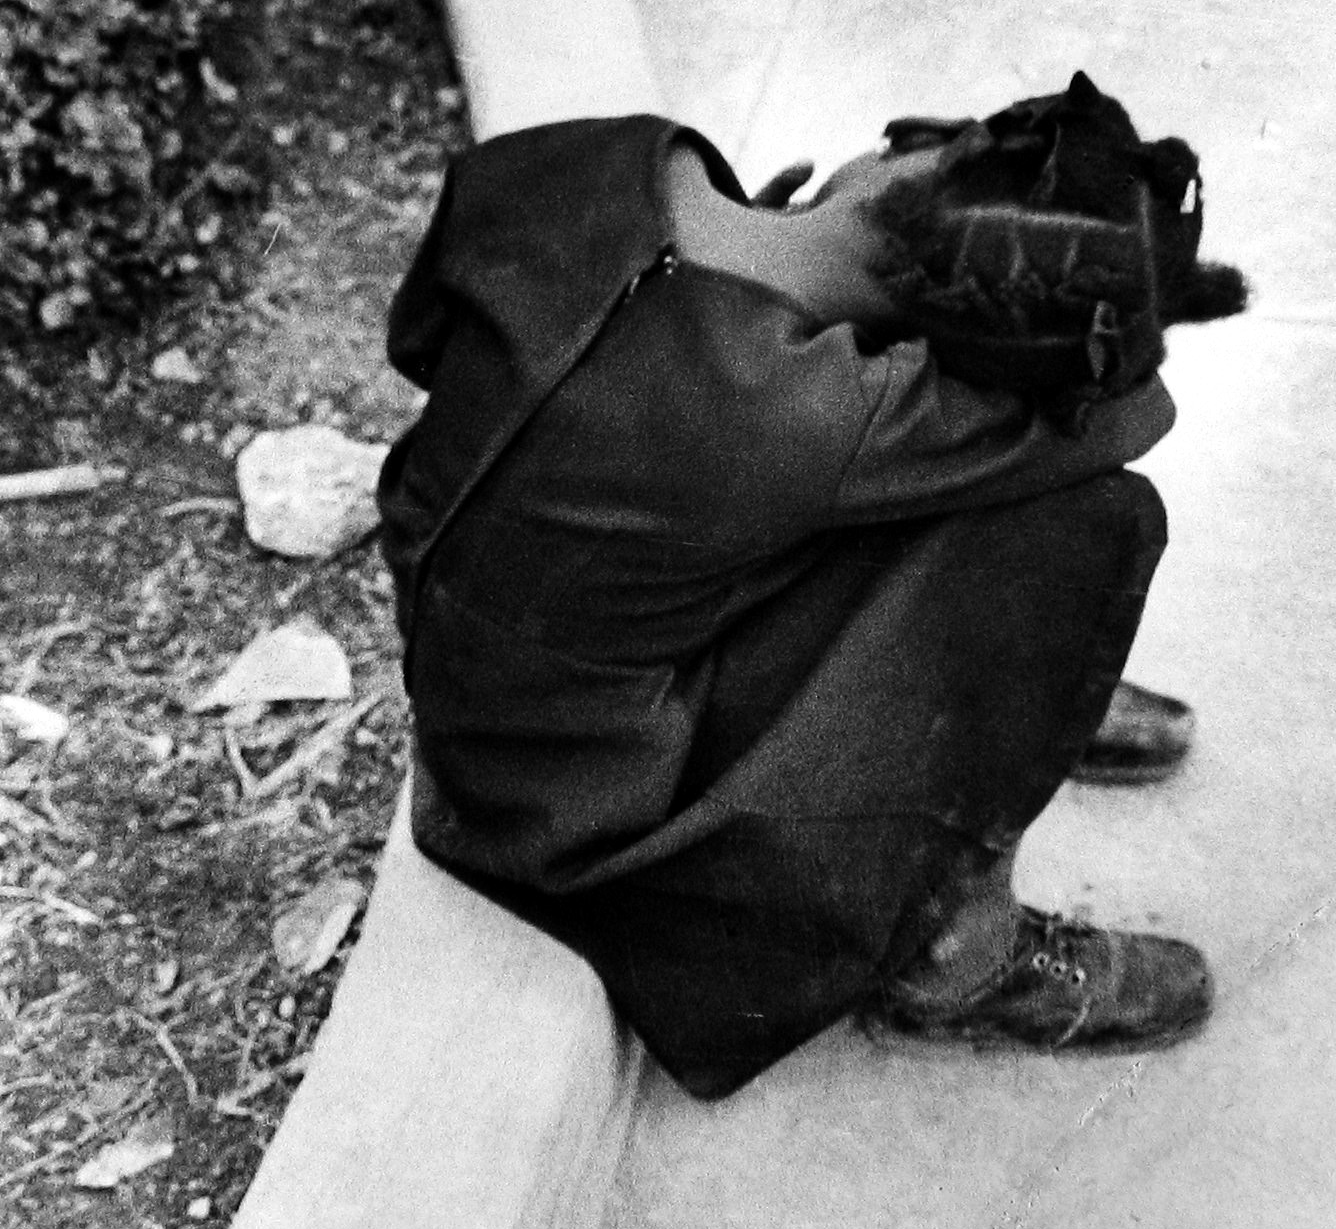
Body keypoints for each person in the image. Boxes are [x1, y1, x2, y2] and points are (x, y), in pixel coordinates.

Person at [376, 75, 1237, 1100]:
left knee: (893, 495)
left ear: (895, 153)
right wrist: (1031, 326)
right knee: (1081, 521)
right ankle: (953, 954)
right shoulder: (814, 411)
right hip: (585, 821)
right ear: (924, 337)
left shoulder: (621, 161)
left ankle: (1018, 696)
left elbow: (418, 337)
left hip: (484, 691)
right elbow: (1118, 417)